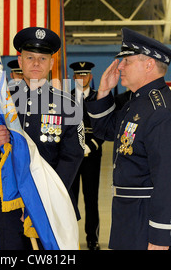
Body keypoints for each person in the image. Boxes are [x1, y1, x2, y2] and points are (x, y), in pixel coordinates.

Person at [0, 27, 84, 250]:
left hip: (50, 201)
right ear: (20, 61)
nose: (36, 63)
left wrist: (43, 198)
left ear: (52, 63)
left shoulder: (68, 104)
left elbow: (73, 156)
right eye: (30, 57)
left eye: (43, 58)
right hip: (6, 198)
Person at [85, 27, 171, 250]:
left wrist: (161, 237)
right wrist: (104, 91)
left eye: (127, 61)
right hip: (130, 215)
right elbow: (105, 131)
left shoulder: (161, 112)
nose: (119, 66)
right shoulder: (137, 103)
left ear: (149, 65)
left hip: (149, 220)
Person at [69, 61, 104, 250]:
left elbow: (103, 127)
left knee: (91, 198)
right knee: (70, 199)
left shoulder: (99, 97)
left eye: (85, 75)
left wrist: (90, 146)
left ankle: (92, 238)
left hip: (92, 155)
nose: (82, 78)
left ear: (90, 77)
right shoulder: (66, 97)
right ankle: (71, 237)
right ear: (74, 77)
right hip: (72, 157)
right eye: (78, 75)